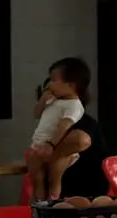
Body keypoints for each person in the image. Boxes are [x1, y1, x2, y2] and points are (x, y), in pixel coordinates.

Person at [40, 58, 109, 201]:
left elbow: (81, 140)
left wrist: (55, 159)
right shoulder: (51, 129)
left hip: (87, 198)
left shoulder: (84, 123)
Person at [25, 74, 85, 200]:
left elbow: (64, 126)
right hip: (39, 146)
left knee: (54, 179)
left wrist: (51, 145)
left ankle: (53, 205)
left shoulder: (74, 105)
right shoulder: (53, 101)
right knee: (38, 180)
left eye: (53, 80)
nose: (49, 85)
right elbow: (37, 113)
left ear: (70, 85)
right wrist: (42, 100)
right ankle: (40, 207)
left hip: (57, 148)